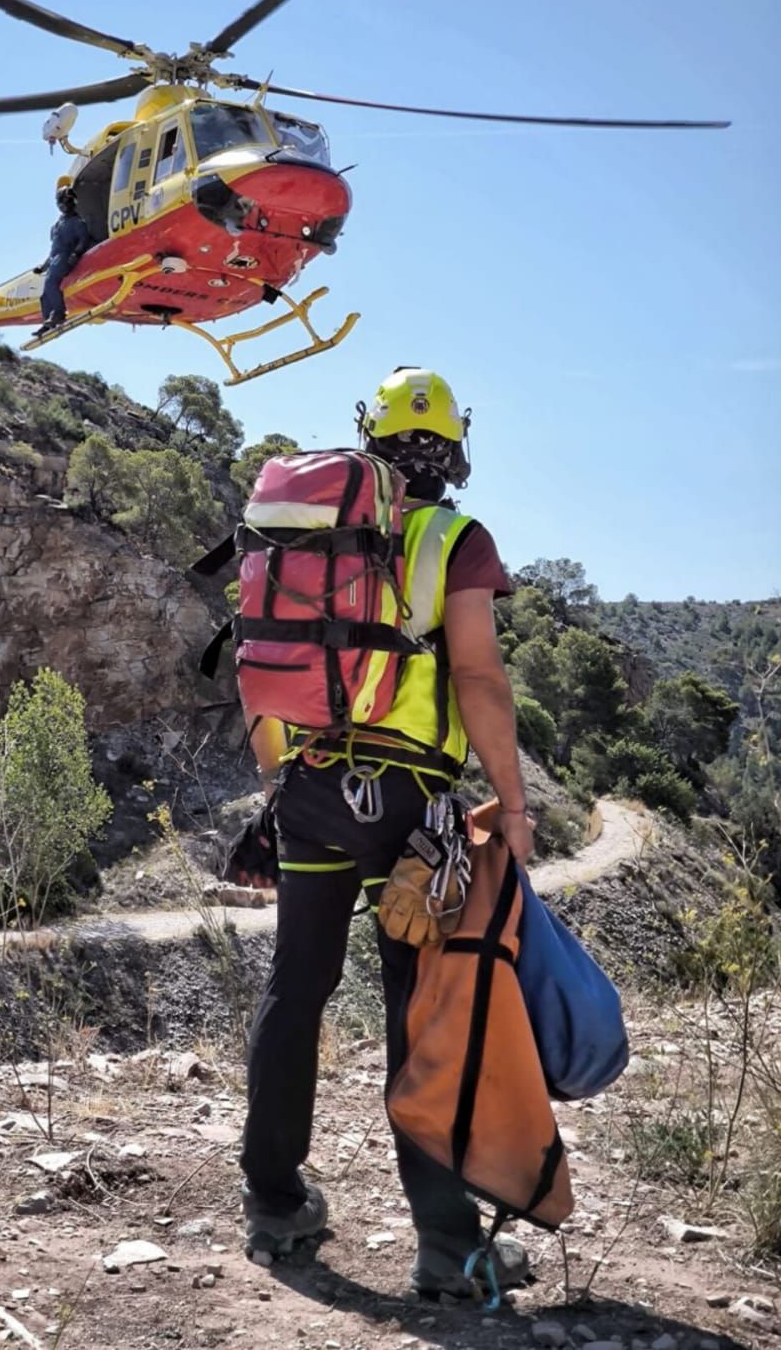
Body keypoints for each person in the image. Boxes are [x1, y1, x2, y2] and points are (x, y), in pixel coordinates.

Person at [237, 365, 537, 1301]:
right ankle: (448, 1247)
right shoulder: (455, 537)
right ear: (452, 447)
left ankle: (274, 1203)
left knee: (297, 992)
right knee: (423, 1010)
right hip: (411, 802)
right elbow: (480, 680)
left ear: (369, 437)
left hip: (316, 786)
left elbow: (265, 660)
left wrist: (281, 782)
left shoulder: (314, 530)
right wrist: (515, 807)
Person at [32, 184, 92, 336]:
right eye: (66, 201)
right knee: (45, 294)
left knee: (51, 282)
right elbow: (54, 250)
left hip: (65, 257)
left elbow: (83, 240)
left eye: (70, 202)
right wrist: (43, 266)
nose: (68, 205)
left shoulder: (78, 222)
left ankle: (58, 314)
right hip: (55, 259)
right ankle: (47, 322)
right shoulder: (57, 225)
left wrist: (76, 254)